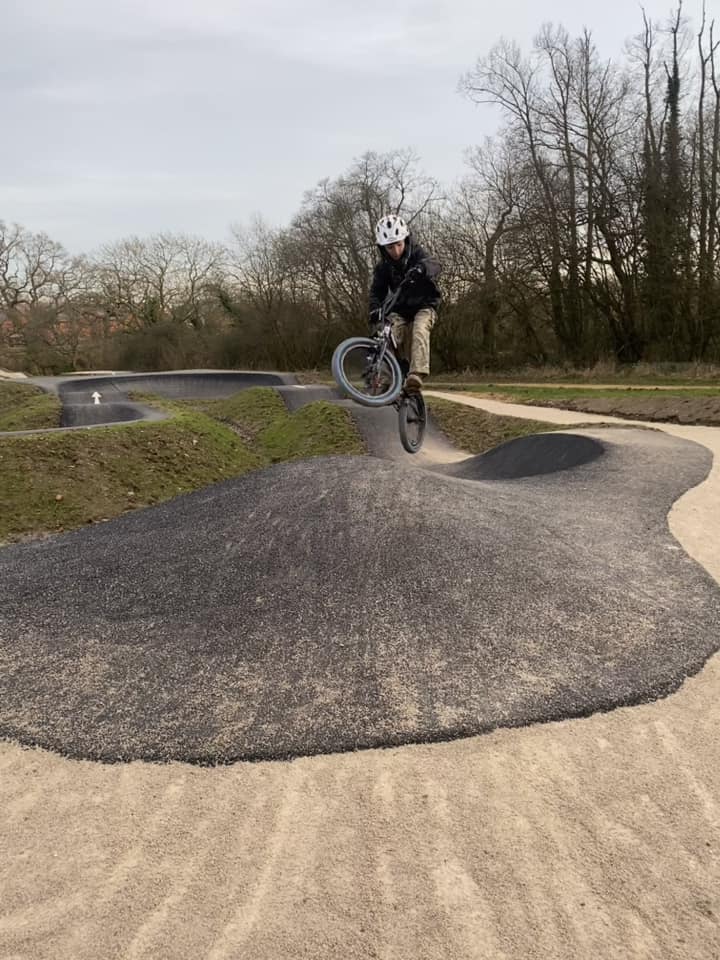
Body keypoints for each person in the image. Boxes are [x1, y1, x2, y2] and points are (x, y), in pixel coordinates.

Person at [369, 214, 441, 392]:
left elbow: (435, 264)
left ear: (405, 240)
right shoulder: (383, 268)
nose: (395, 251)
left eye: (399, 245)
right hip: (400, 309)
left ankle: (417, 374)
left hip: (425, 305)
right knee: (385, 334)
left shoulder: (417, 254)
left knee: (419, 329)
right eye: (390, 247)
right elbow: (376, 292)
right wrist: (375, 309)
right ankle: (387, 379)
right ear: (383, 248)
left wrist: (422, 269)